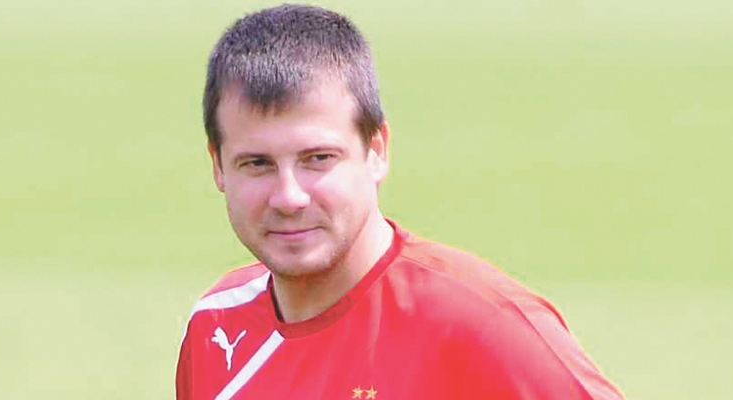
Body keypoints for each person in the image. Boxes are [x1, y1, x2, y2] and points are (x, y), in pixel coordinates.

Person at [176, 4, 624, 399]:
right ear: (218, 166)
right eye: (257, 163)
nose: (289, 197)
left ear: (376, 150)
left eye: (318, 158)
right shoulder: (216, 326)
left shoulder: (485, 327)